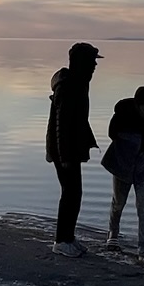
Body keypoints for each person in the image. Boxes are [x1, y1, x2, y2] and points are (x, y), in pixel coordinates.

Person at [43, 42, 100, 256]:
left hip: (70, 149)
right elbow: (61, 124)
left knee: (74, 193)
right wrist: (65, 156)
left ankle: (68, 237)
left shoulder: (79, 83)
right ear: (81, 63)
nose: (95, 66)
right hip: (64, 151)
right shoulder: (68, 87)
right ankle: (61, 241)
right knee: (70, 193)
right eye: (92, 62)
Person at [101, 85, 144, 267]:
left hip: (143, 168)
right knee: (118, 202)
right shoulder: (121, 116)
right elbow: (112, 134)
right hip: (123, 164)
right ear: (137, 106)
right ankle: (113, 234)